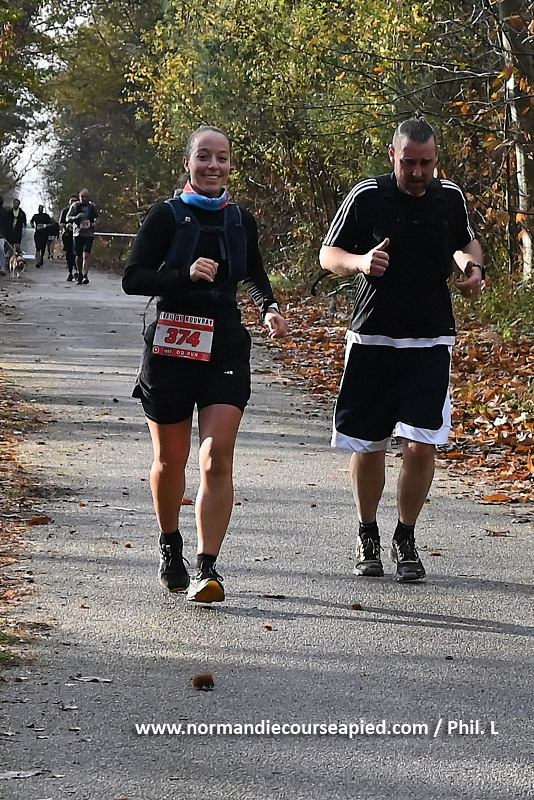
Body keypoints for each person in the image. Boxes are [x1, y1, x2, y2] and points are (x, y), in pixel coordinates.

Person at [123, 125, 287, 603]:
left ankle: (207, 567)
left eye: (222, 158)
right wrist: (183, 274)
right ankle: (169, 544)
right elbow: (134, 278)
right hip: (172, 346)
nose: (213, 165)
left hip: (225, 348)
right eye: (204, 157)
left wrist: (269, 307)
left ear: (230, 164)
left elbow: (253, 273)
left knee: (216, 458)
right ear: (188, 163)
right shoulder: (166, 216)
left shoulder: (240, 219)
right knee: (169, 460)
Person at [319, 117, 485, 583]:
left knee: (420, 443)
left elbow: (465, 242)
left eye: (426, 163)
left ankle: (405, 535)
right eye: (409, 162)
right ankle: (367, 532)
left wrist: (472, 267)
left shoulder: (449, 197)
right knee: (368, 443)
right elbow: (328, 254)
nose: (417, 172)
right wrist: (360, 261)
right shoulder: (367, 195)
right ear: (393, 155)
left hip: (430, 339)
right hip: (373, 338)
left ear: (436, 159)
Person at [66, 188, 99, 284]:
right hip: (77, 234)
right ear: (79, 197)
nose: (84, 199)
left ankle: (85, 275)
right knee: (79, 255)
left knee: (86, 255)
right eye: (82, 197)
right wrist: (76, 218)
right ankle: (79, 273)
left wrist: (95, 223)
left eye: (86, 197)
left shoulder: (92, 206)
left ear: (89, 197)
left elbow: (98, 217)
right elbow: (67, 218)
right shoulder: (75, 206)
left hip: (89, 234)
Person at [59, 195, 78, 280]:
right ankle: (70, 272)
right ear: (69, 201)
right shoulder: (65, 211)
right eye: (72, 200)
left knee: (77, 253)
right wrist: (66, 226)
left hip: (78, 235)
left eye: (75, 200)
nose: (73, 202)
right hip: (68, 235)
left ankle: (77, 271)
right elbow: (61, 223)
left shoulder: (79, 210)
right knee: (69, 253)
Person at [0, 195, 9, 276]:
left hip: (1, 234)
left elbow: (6, 224)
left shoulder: (4, 212)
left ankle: (2, 267)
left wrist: (5, 234)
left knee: (1, 250)